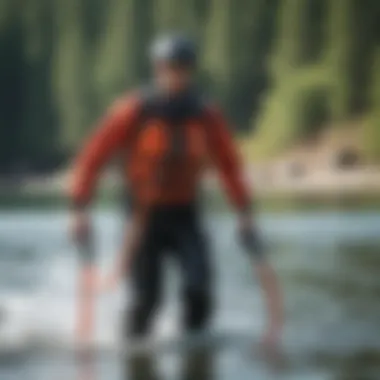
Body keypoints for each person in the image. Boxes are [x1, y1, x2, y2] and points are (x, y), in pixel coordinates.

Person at [68, 34, 283, 350]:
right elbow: (93, 156)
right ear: (157, 68)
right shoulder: (133, 110)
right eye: (169, 66)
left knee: (199, 292)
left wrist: (244, 213)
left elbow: (229, 166)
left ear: (191, 70)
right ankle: (132, 349)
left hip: (185, 214)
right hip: (143, 220)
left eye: (183, 66)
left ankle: (193, 359)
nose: (175, 73)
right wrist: (79, 208)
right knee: (146, 302)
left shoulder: (206, 116)